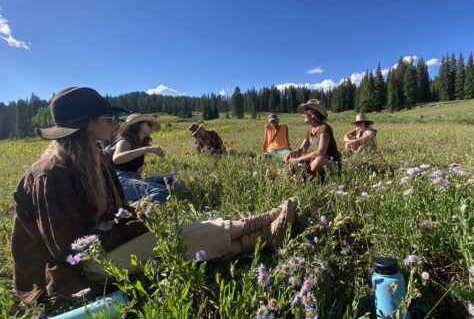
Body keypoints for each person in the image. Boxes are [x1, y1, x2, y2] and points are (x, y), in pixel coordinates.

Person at [11, 86, 298, 304]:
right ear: (88, 124)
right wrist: (125, 228)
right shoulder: (51, 175)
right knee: (175, 241)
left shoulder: (95, 157)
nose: (115, 125)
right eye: (109, 119)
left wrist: (135, 219)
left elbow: (118, 208)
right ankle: (260, 236)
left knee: (173, 233)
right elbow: (68, 249)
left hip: (108, 244)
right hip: (86, 267)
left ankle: (260, 228)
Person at [105, 113, 182, 203]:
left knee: (178, 181)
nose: (152, 128)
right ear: (138, 125)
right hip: (119, 181)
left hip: (133, 179)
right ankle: (130, 212)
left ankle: (148, 200)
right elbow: (117, 158)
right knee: (163, 191)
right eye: (149, 125)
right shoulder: (124, 141)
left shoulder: (139, 143)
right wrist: (147, 149)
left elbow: (135, 168)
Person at [285, 99, 341, 176]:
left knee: (318, 161)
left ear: (312, 114)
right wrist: (293, 153)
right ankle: (308, 175)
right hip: (314, 161)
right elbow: (302, 149)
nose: (303, 115)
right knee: (300, 164)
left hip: (331, 162)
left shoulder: (324, 128)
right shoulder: (310, 129)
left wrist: (297, 159)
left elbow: (320, 152)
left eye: (305, 112)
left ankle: (313, 175)